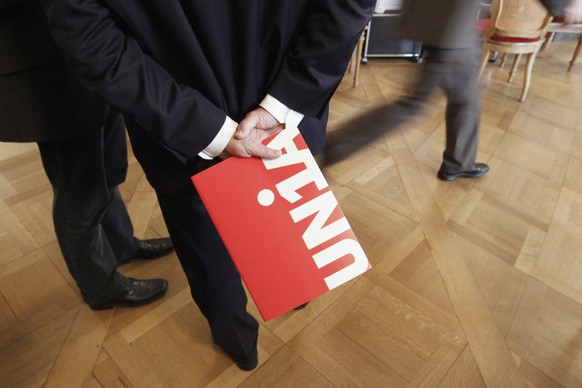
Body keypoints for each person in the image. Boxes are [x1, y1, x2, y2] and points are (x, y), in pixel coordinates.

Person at [40, 0, 375, 370]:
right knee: (285, 215)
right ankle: (294, 294)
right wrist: (285, 100)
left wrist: (207, 128)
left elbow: (88, 38)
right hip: (283, 112)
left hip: (174, 125)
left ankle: (239, 343)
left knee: (203, 244)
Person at [0, 0, 174, 310]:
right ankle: (101, 286)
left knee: (107, 170)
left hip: (93, 55)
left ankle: (122, 245)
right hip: (44, 73)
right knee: (79, 193)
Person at [324, 0, 582, 180]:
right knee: (412, 105)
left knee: (466, 93)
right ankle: (332, 148)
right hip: (447, 21)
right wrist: (564, 3)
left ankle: (459, 162)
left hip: (441, 18)